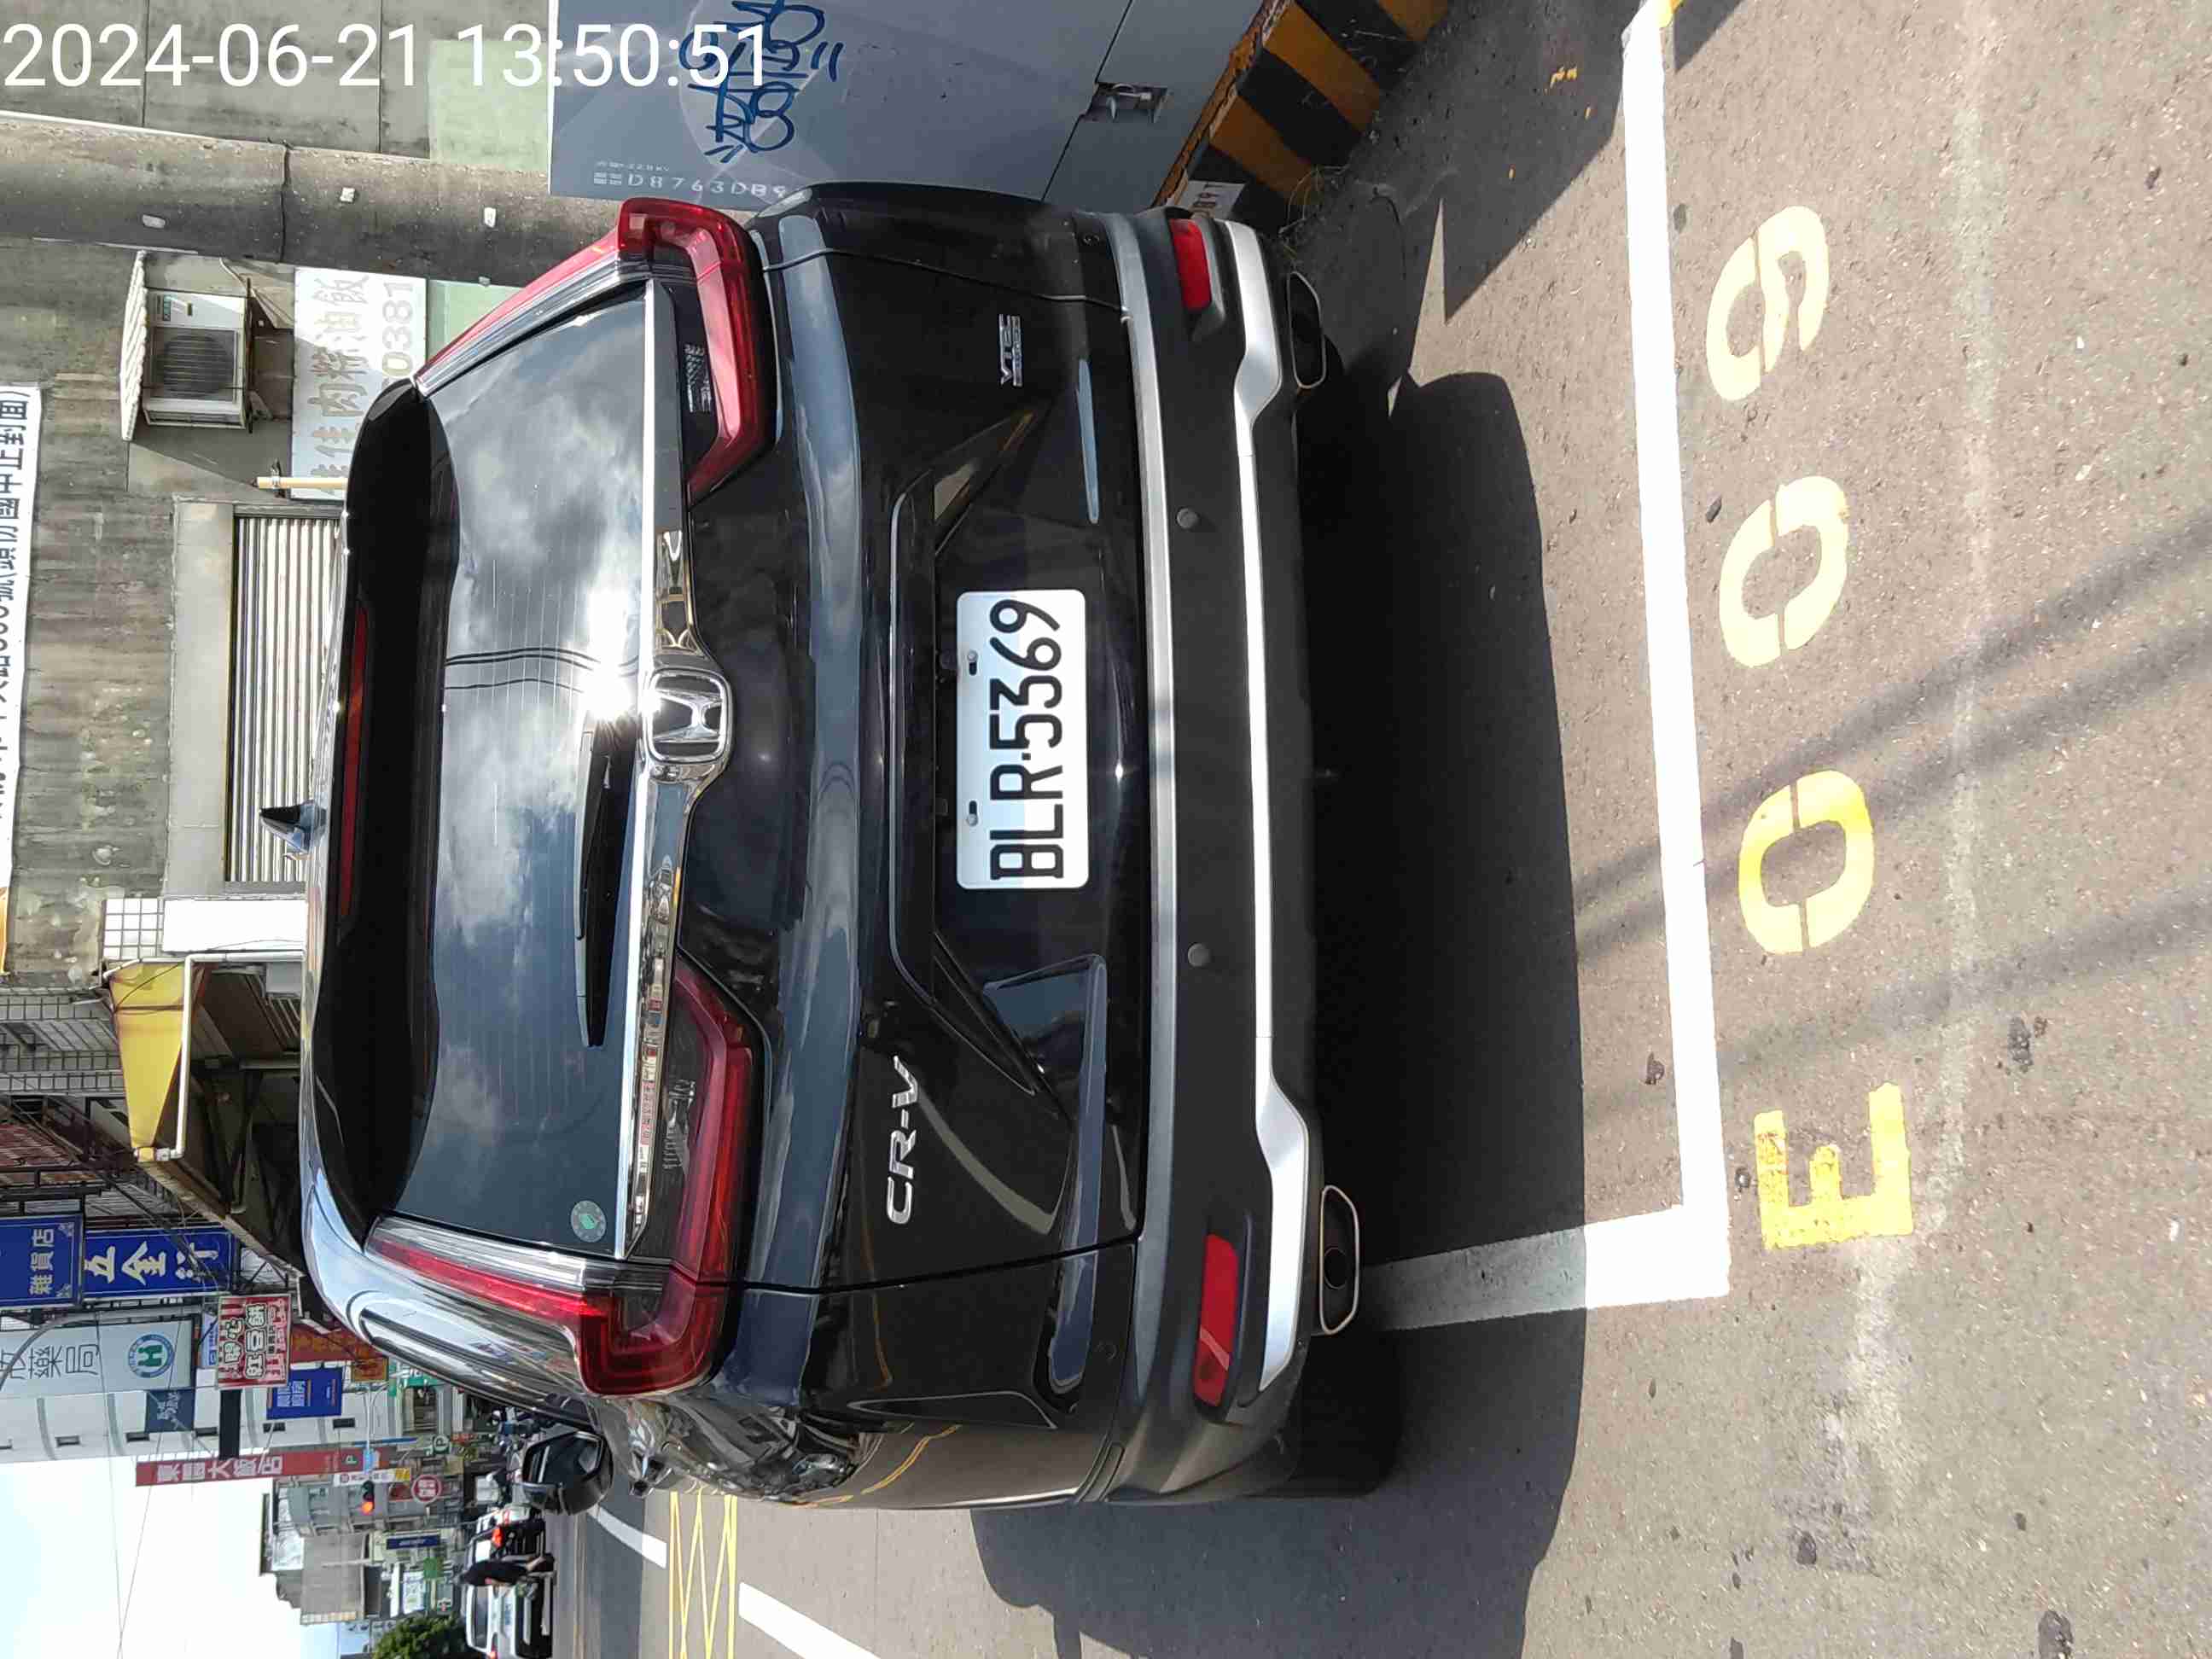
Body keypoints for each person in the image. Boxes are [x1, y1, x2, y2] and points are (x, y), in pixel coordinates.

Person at [457, 1551, 553, 1589]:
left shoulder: (472, 1580)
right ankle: (548, 1572)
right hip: (501, 1565)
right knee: (524, 1571)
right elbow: (489, 1560)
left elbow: (488, 1581)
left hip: (503, 1575)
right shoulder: (473, 1566)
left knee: (525, 1571)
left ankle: (542, 1559)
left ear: (463, 1582)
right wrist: (501, 1561)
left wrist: (503, 1584)